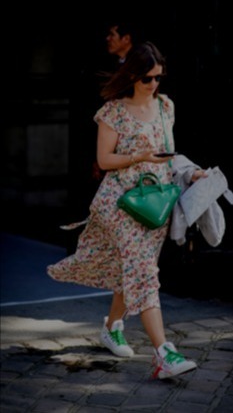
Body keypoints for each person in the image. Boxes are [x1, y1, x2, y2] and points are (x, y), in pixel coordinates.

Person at [48, 42, 205, 379]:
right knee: (144, 272)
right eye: (148, 78)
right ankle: (164, 355)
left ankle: (111, 326)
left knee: (132, 269)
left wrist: (190, 172)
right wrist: (140, 157)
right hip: (121, 202)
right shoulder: (114, 111)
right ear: (133, 75)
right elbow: (105, 160)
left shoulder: (166, 107)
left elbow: (168, 153)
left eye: (159, 78)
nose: (154, 84)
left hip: (155, 205)